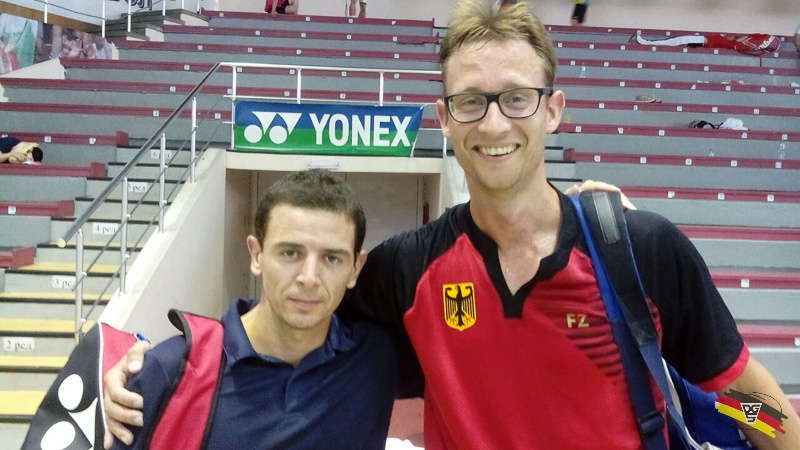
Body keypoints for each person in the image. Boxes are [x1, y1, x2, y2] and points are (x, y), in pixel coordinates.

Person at [105, 1, 800, 449]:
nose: (493, 124)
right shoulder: (408, 269)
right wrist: (162, 366)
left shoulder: (642, 249)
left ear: (553, 110)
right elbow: (295, 315)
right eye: (470, 102)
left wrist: (773, 427)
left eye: (516, 99)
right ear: (443, 119)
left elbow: (750, 403)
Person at [110, 170, 403, 449]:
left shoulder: (377, 357)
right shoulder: (170, 370)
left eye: (332, 258)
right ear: (257, 255)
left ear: (356, 268)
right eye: (290, 253)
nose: (309, 278)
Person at [633, 32, 781, 55]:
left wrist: (741, 38)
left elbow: (738, 41)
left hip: (706, 41)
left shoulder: (741, 45)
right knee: (675, 41)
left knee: (676, 41)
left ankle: (644, 42)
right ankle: (645, 42)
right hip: (708, 40)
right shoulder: (742, 44)